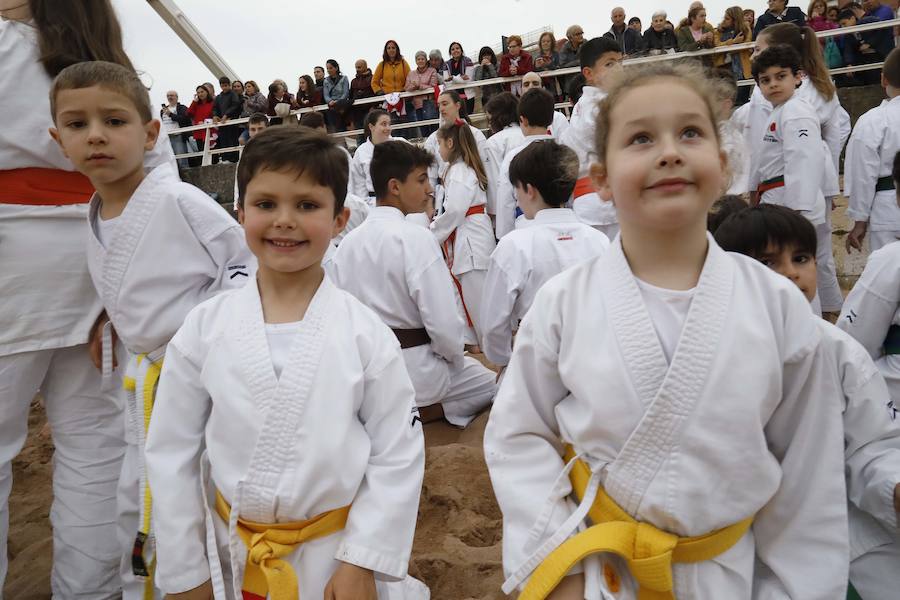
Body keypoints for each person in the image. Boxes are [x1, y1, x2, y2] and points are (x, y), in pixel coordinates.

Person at [484, 59, 848, 600]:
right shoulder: (563, 304)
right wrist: (557, 569)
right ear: (601, 180)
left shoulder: (778, 306)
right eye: (640, 138)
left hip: (733, 574)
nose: (669, 151)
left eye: (691, 133)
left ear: (723, 165)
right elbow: (520, 437)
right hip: (600, 572)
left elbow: (808, 472)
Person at [142, 125, 427, 600]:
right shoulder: (203, 328)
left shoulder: (363, 332)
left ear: (340, 220)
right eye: (266, 204)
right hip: (234, 551)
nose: (285, 220)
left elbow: (397, 450)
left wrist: (362, 559)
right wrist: (185, 570)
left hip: (334, 554)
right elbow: (172, 452)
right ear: (240, 214)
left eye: (308, 205)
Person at [48, 60, 253, 599]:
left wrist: (199, 336)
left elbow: (242, 265)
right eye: (76, 125)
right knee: (136, 490)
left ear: (151, 133)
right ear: (57, 140)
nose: (96, 135)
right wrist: (108, 321)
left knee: (195, 492)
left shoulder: (178, 199)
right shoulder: (94, 212)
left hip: (197, 375)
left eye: (114, 121)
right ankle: (145, 585)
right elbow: (127, 286)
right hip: (140, 381)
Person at [0, 1, 176, 597]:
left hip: (12, 266)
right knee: (96, 451)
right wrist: (136, 288)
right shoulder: (108, 64)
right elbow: (160, 177)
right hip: (102, 263)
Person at [714, 203, 900, 600]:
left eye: (801, 258)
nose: (790, 273)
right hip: (729, 541)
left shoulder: (839, 351)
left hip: (831, 531)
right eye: (767, 262)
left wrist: (893, 486)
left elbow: (871, 446)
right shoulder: (705, 354)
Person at [332, 141, 497, 428]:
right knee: (492, 384)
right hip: (417, 371)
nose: (429, 189)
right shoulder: (415, 237)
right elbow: (444, 326)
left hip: (366, 373)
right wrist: (453, 357)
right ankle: (423, 411)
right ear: (395, 187)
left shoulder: (347, 245)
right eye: (421, 180)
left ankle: (390, 411)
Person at [746, 23, 849, 315]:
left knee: (799, 270)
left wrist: (799, 212)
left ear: (797, 77)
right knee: (796, 267)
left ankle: (814, 325)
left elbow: (802, 161)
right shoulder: (781, 109)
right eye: (765, 80)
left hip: (792, 201)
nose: (773, 84)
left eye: (780, 77)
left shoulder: (797, 110)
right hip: (778, 197)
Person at [481, 141, 609, 368]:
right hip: (595, 357)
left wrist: (506, 360)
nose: (516, 197)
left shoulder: (514, 245)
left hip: (537, 358)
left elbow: (493, 325)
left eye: (516, 189)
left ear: (529, 190)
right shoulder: (598, 240)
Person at [432, 120, 496, 346]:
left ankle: (495, 354)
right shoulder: (463, 168)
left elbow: (455, 210)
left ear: (450, 143)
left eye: (439, 144)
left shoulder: (459, 170)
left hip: (471, 242)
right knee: (479, 304)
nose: (438, 150)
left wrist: (431, 234)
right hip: (473, 235)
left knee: (481, 308)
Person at [560, 36, 623, 239]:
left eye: (621, 62)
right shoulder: (606, 104)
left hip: (583, 201)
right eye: (610, 64)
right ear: (589, 73)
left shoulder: (581, 106)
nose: (619, 69)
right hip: (609, 199)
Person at [845, 48, 900, 252]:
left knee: (890, 277)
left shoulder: (872, 121)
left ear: (883, 79)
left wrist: (860, 219)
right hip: (890, 203)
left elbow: (863, 174)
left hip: (890, 210)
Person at [495, 88, 557, 239]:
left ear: (523, 120)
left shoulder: (513, 157)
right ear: (551, 119)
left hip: (525, 227)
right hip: (563, 224)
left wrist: (504, 237)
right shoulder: (562, 151)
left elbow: (506, 203)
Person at [423, 90, 487, 212]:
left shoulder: (475, 135)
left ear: (458, 105)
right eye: (439, 105)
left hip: (472, 196)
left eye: (445, 104)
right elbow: (430, 173)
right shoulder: (433, 138)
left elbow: (483, 169)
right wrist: (429, 202)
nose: (441, 109)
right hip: (445, 196)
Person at [483, 92, 524, 221]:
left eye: (490, 120)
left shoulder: (494, 142)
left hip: (510, 208)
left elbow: (496, 182)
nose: (489, 125)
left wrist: (494, 216)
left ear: (498, 117)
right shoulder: (529, 133)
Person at [349, 109, 404, 203]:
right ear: (371, 127)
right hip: (373, 203)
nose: (388, 128)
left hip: (400, 199)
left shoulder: (401, 144)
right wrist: (364, 205)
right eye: (383, 124)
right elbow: (358, 184)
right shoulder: (361, 152)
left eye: (389, 124)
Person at [838, 5, 895, 84]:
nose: (842, 27)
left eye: (844, 23)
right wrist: (849, 63)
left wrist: (869, 43)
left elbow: (882, 29)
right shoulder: (848, 35)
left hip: (881, 54)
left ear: (852, 18)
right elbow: (848, 50)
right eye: (841, 25)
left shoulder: (868, 21)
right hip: (866, 59)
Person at [372, 40, 412, 137]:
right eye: (388, 48)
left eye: (393, 48)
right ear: (386, 50)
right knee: (391, 125)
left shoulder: (403, 63)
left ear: (397, 49)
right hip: (389, 101)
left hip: (402, 99)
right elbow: (374, 82)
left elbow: (410, 79)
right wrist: (379, 92)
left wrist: (404, 89)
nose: (391, 50)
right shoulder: (382, 65)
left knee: (404, 126)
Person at [521, 72, 570, 139]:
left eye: (535, 83)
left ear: (543, 88)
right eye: (526, 85)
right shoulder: (517, 120)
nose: (531, 87)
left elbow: (566, 146)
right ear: (521, 91)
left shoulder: (558, 117)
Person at [406, 51, 439, 136]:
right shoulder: (411, 73)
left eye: (422, 59)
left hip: (429, 103)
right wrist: (414, 87)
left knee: (434, 130)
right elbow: (406, 88)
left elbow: (433, 86)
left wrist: (419, 86)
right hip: (417, 105)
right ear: (416, 61)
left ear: (426, 60)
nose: (420, 61)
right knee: (423, 130)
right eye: (418, 59)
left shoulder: (432, 71)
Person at [716, 5, 753, 80]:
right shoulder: (719, 31)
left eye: (727, 19)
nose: (724, 20)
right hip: (724, 68)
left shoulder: (745, 30)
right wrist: (733, 42)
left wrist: (730, 48)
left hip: (743, 68)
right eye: (724, 18)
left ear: (735, 20)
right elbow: (717, 46)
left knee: (743, 90)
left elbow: (747, 43)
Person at [212, 75, 242, 163]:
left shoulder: (233, 94)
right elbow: (214, 108)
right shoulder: (218, 97)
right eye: (222, 86)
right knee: (223, 141)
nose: (224, 87)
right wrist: (215, 116)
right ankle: (225, 159)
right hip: (222, 123)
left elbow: (235, 105)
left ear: (229, 85)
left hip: (232, 122)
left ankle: (234, 159)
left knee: (233, 140)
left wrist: (226, 115)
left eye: (226, 85)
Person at [160, 90, 191, 168]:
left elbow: (185, 119)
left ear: (177, 97)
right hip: (167, 137)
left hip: (178, 136)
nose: (170, 97)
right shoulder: (163, 110)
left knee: (181, 160)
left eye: (172, 95)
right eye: (168, 96)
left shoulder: (182, 108)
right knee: (170, 160)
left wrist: (170, 114)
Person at [187, 83, 215, 167]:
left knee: (212, 152)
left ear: (206, 92)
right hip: (199, 132)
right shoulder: (196, 104)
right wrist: (194, 101)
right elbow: (188, 113)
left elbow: (215, 114)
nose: (200, 94)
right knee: (201, 151)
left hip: (210, 131)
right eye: (198, 93)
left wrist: (205, 121)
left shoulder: (213, 102)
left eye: (202, 92)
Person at [443, 42, 475, 115]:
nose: (455, 50)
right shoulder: (446, 64)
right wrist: (460, 77)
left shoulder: (468, 61)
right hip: (453, 99)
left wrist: (453, 78)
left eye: (457, 48)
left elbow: (468, 80)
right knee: (456, 121)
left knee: (467, 120)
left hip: (468, 97)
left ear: (461, 50)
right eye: (453, 49)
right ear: (450, 52)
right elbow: (447, 82)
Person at [350, 59, 375, 141]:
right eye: (356, 67)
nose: (357, 69)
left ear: (365, 67)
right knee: (360, 136)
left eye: (359, 67)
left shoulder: (373, 78)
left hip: (369, 110)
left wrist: (374, 106)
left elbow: (376, 93)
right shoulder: (353, 81)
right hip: (357, 113)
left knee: (371, 133)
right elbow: (351, 96)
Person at [323, 59, 350, 133]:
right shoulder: (326, 81)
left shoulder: (344, 78)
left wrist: (338, 101)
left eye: (331, 68)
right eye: (327, 68)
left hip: (342, 106)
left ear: (336, 68)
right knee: (334, 129)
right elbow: (326, 94)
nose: (328, 70)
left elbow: (346, 92)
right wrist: (330, 101)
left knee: (343, 128)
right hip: (331, 107)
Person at [533, 32, 561, 97]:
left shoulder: (557, 55)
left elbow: (560, 67)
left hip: (557, 86)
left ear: (552, 42)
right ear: (540, 43)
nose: (545, 43)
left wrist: (549, 64)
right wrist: (537, 67)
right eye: (543, 41)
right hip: (543, 87)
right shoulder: (537, 58)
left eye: (548, 41)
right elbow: (534, 73)